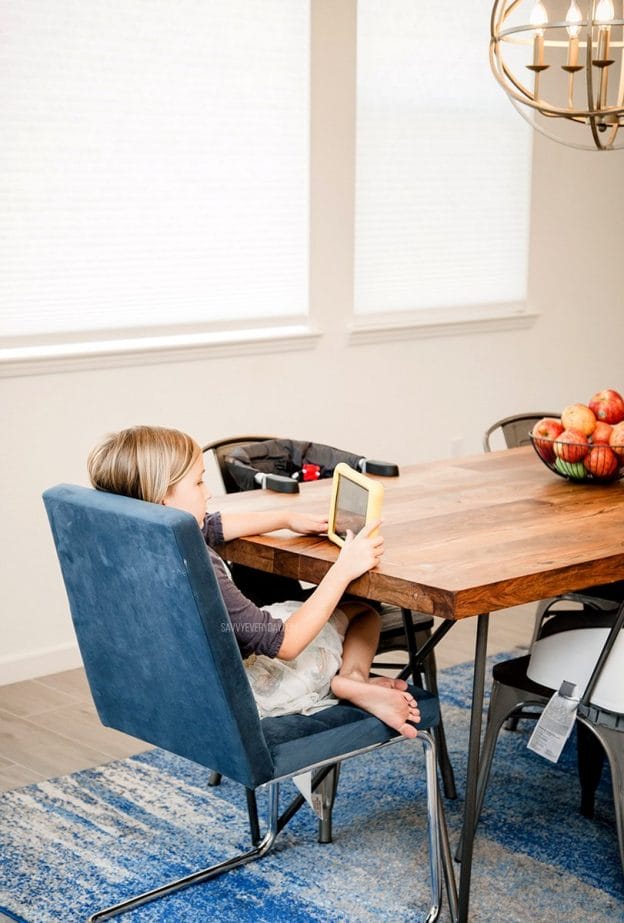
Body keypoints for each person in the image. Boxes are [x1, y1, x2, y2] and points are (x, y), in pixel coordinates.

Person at [87, 425, 420, 738]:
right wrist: (344, 568)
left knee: (304, 610)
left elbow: (214, 526)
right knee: (363, 610)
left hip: (189, 690)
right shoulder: (196, 567)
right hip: (251, 693)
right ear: (163, 498)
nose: (209, 493)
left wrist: (287, 518)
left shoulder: (141, 541)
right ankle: (351, 678)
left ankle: (351, 679)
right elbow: (286, 644)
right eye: (199, 483)